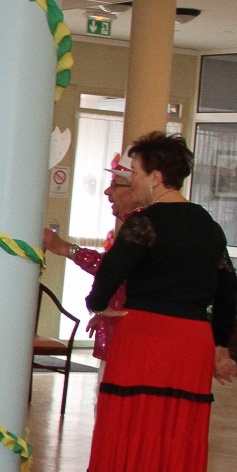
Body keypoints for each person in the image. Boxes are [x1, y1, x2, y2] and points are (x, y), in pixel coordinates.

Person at [64, 131, 237, 472]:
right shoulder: (209, 226)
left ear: (157, 177)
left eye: (136, 173)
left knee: (130, 437)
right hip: (192, 342)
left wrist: (98, 305)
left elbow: (109, 275)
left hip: (145, 338)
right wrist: (219, 344)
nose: (133, 181)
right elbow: (228, 288)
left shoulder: (144, 223)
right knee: (174, 446)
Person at [42, 155, 145, 363]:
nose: (107, 191)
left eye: (114, 185)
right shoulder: (136, 225)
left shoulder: (143, 227)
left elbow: (114, 269)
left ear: (135, 189)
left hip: (130, 339)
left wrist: (67, 249)